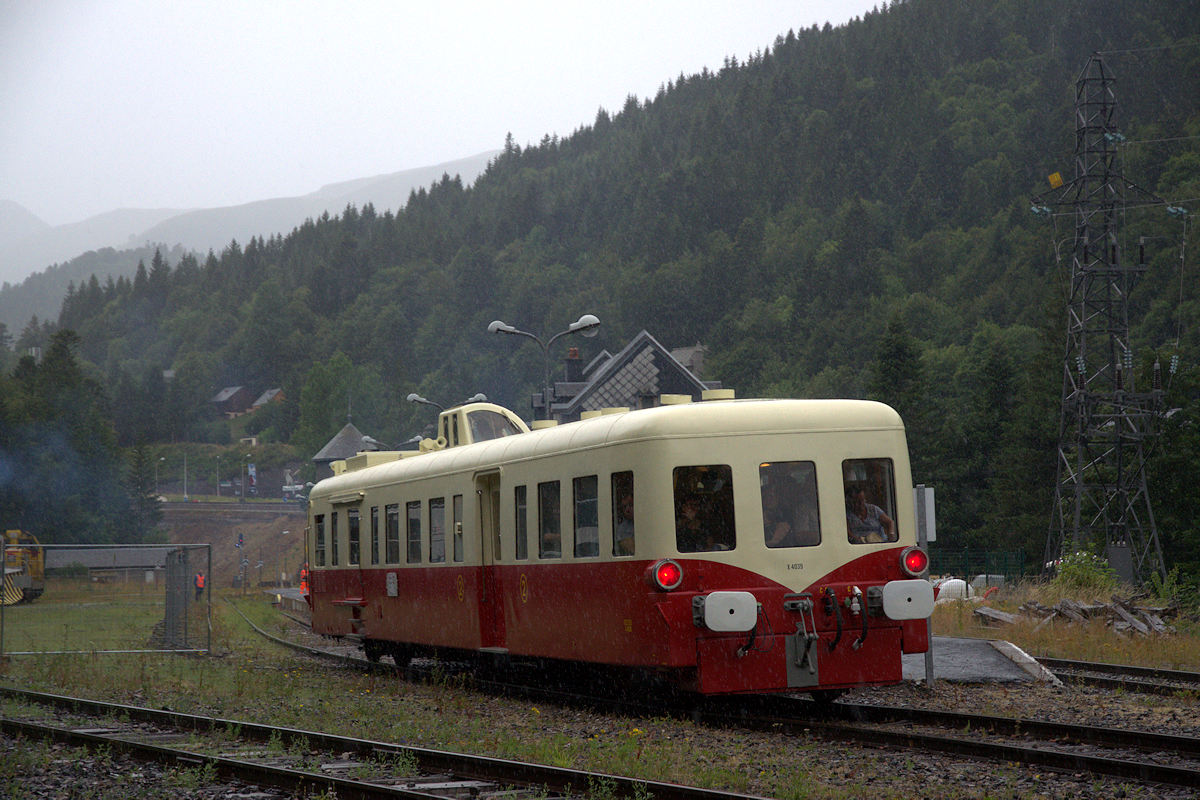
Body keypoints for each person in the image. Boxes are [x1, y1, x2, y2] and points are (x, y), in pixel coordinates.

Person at [614, 491, 635, 555]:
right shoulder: (622, 529)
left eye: (631, 505)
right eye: (624, 507)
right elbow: (632, 550)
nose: (627, 510)